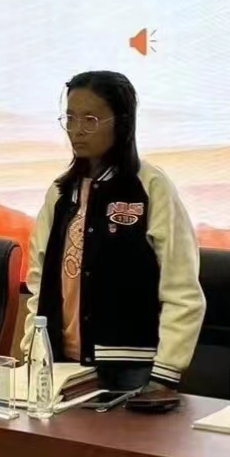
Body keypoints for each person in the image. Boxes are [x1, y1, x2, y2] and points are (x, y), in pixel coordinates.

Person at [22, 70, 206, 397]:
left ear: (121, 123)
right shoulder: (62, 192)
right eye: (70, 118)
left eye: (90, 119)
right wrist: (33, 351)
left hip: (132, 369)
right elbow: (38, 278)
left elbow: (182, 289)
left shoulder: (149, 186)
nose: (77, 130)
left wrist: (165, 374)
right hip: (61, 366)